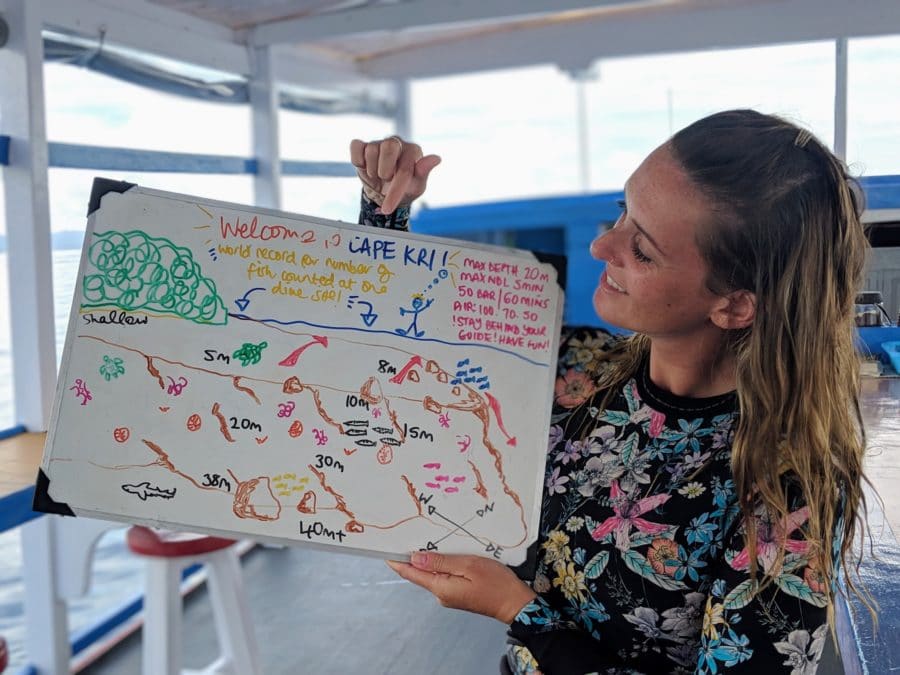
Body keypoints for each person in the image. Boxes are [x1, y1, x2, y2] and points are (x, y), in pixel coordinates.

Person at [349, 109, 869, 674]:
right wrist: (384, 212)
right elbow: (395, 362)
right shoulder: (578, 368)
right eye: (621, 212)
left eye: (642, 250)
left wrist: (520, 612)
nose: (601, 247)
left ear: (735, 304)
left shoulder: (782, 487)